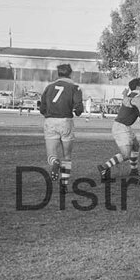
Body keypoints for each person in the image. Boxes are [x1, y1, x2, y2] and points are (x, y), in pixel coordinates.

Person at [40, 63, 85, 191]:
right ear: (70, 74)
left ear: (58, 74)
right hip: (66, 121)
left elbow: (42, 108)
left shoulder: (49, 87)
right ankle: (64, 184)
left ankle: (55, 163)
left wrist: (49, 114)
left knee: (51, 155)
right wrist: (77, 111)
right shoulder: (75, 87)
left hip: (50, 121)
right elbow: (79, 109)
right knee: (67, 156)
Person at [98, 78, 140, 181]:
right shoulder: (137, 97)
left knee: (135, 146)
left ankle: (134, 170)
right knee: (126, 154)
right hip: (121, 127)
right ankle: (104, 168)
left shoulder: (132, 96)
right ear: (138, 87)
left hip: (124, 126)